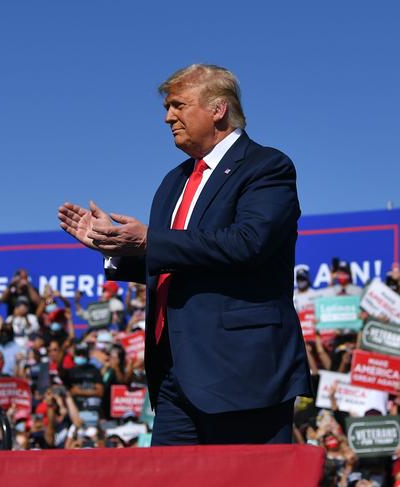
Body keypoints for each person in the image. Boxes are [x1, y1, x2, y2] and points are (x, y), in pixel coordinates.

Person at [58, 63, 311, 445]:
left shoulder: (266, 166)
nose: (167, 117)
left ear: (218, 109)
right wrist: (114, 248)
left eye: (178, 105)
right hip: (175, 376)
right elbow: (173, 261)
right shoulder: (172, 181)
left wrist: (150, 241)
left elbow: (247, 243)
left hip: (242, 373)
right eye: (166, 107)